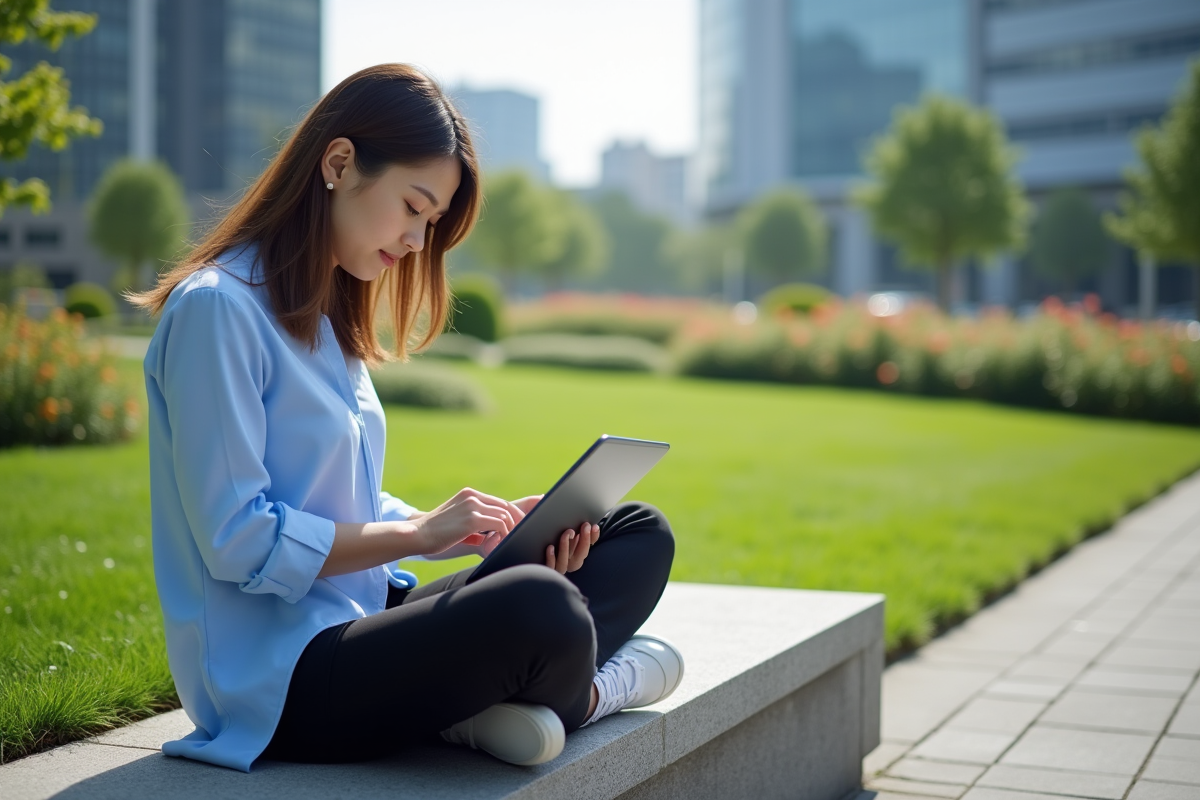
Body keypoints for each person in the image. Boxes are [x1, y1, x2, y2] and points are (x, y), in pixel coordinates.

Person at [125, 63, 683, 773]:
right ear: (339, 163)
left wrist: (461, 532)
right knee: (540, 607)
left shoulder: (326, 317)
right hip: (280, 685)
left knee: (633, 533)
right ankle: (594, 691)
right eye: (414, 207)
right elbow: (238, 537)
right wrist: (415, 533)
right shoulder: (217, 310)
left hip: (365, 627)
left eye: (433, 221)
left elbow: (334, 497)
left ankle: (505, 697)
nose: (419, 242)